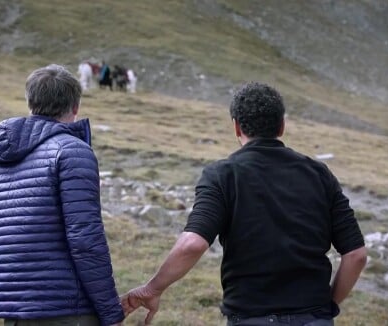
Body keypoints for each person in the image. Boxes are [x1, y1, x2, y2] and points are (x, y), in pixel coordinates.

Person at [122, 82, 367, 325]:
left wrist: (152, 288)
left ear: (236, 127)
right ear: (281, 126)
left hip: (251, 318)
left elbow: (193, 244)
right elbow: (356, 255)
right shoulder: (319, 174)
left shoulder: (222, 175)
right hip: (314, 318)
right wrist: (328, 306)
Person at [0, 64, 124, 326]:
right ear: (75, 106)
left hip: (16, 315)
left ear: (30, 103)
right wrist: (111, 313)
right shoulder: (73, 152)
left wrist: (17, 293)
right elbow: (85, 240)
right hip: (69, 312)